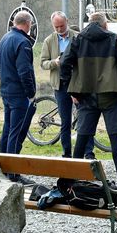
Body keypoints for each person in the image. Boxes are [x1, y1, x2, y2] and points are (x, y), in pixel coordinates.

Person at [60, 11, 117, 186]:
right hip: (110, 94)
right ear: (105, 24)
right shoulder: (116, 39)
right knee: (115, 136)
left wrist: (72, 91)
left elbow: (64, 64)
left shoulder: (77, 40)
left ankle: (73, 178)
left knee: (83, 136)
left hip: (85, 95)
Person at [39, 11, 93, 158]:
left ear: (67, 22)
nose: (59, 29)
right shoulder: (49, 41)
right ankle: (67, 154)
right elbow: (43, 63)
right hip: (60, 86)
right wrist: (55, 63)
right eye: (56, 27)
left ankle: (88, 153)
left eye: (62, 26)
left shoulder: (78, 36)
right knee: (65, 122)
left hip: (78, 84)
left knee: (85, 118)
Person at [0, 11, 37, 184]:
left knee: (7, 129)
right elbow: (25, 71)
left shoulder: (4, 39)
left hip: (6, 92)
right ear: (27, 24)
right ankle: (13, 173)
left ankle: (0, 166)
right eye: (31, 25)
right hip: (19, 94)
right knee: (16, 132)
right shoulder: (23, 42)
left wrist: (7, 81)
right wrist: (31, 92)